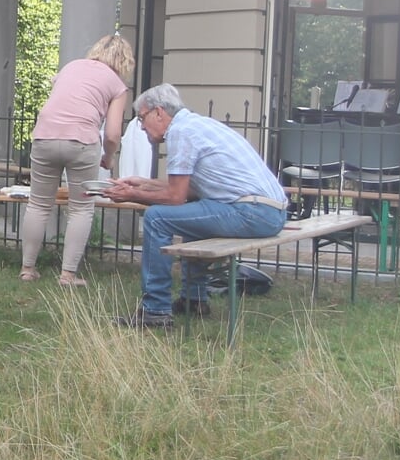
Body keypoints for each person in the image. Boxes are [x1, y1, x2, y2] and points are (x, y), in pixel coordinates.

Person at [104, 83, 288, 330]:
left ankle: (155, 310)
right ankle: (194, 300)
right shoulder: (197, 125)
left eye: (142, 118)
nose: (141, 127)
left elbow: (175, 197)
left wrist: (131, 195)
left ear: (159, 112)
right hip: (268, 212)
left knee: (157, 217)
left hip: (253, 212)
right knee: (193, 212)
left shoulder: (181, 132)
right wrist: (143, 184)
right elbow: (187, 191)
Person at [19, 33, 134, 287]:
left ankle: (27, 269)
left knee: (38, 204)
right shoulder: (117, 85)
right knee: (81, 208)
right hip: (82, 141)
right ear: (125, 61)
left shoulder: (70, 67)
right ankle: (67, 274)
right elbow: (113, 133)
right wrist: (108, 157)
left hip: (44, 136)